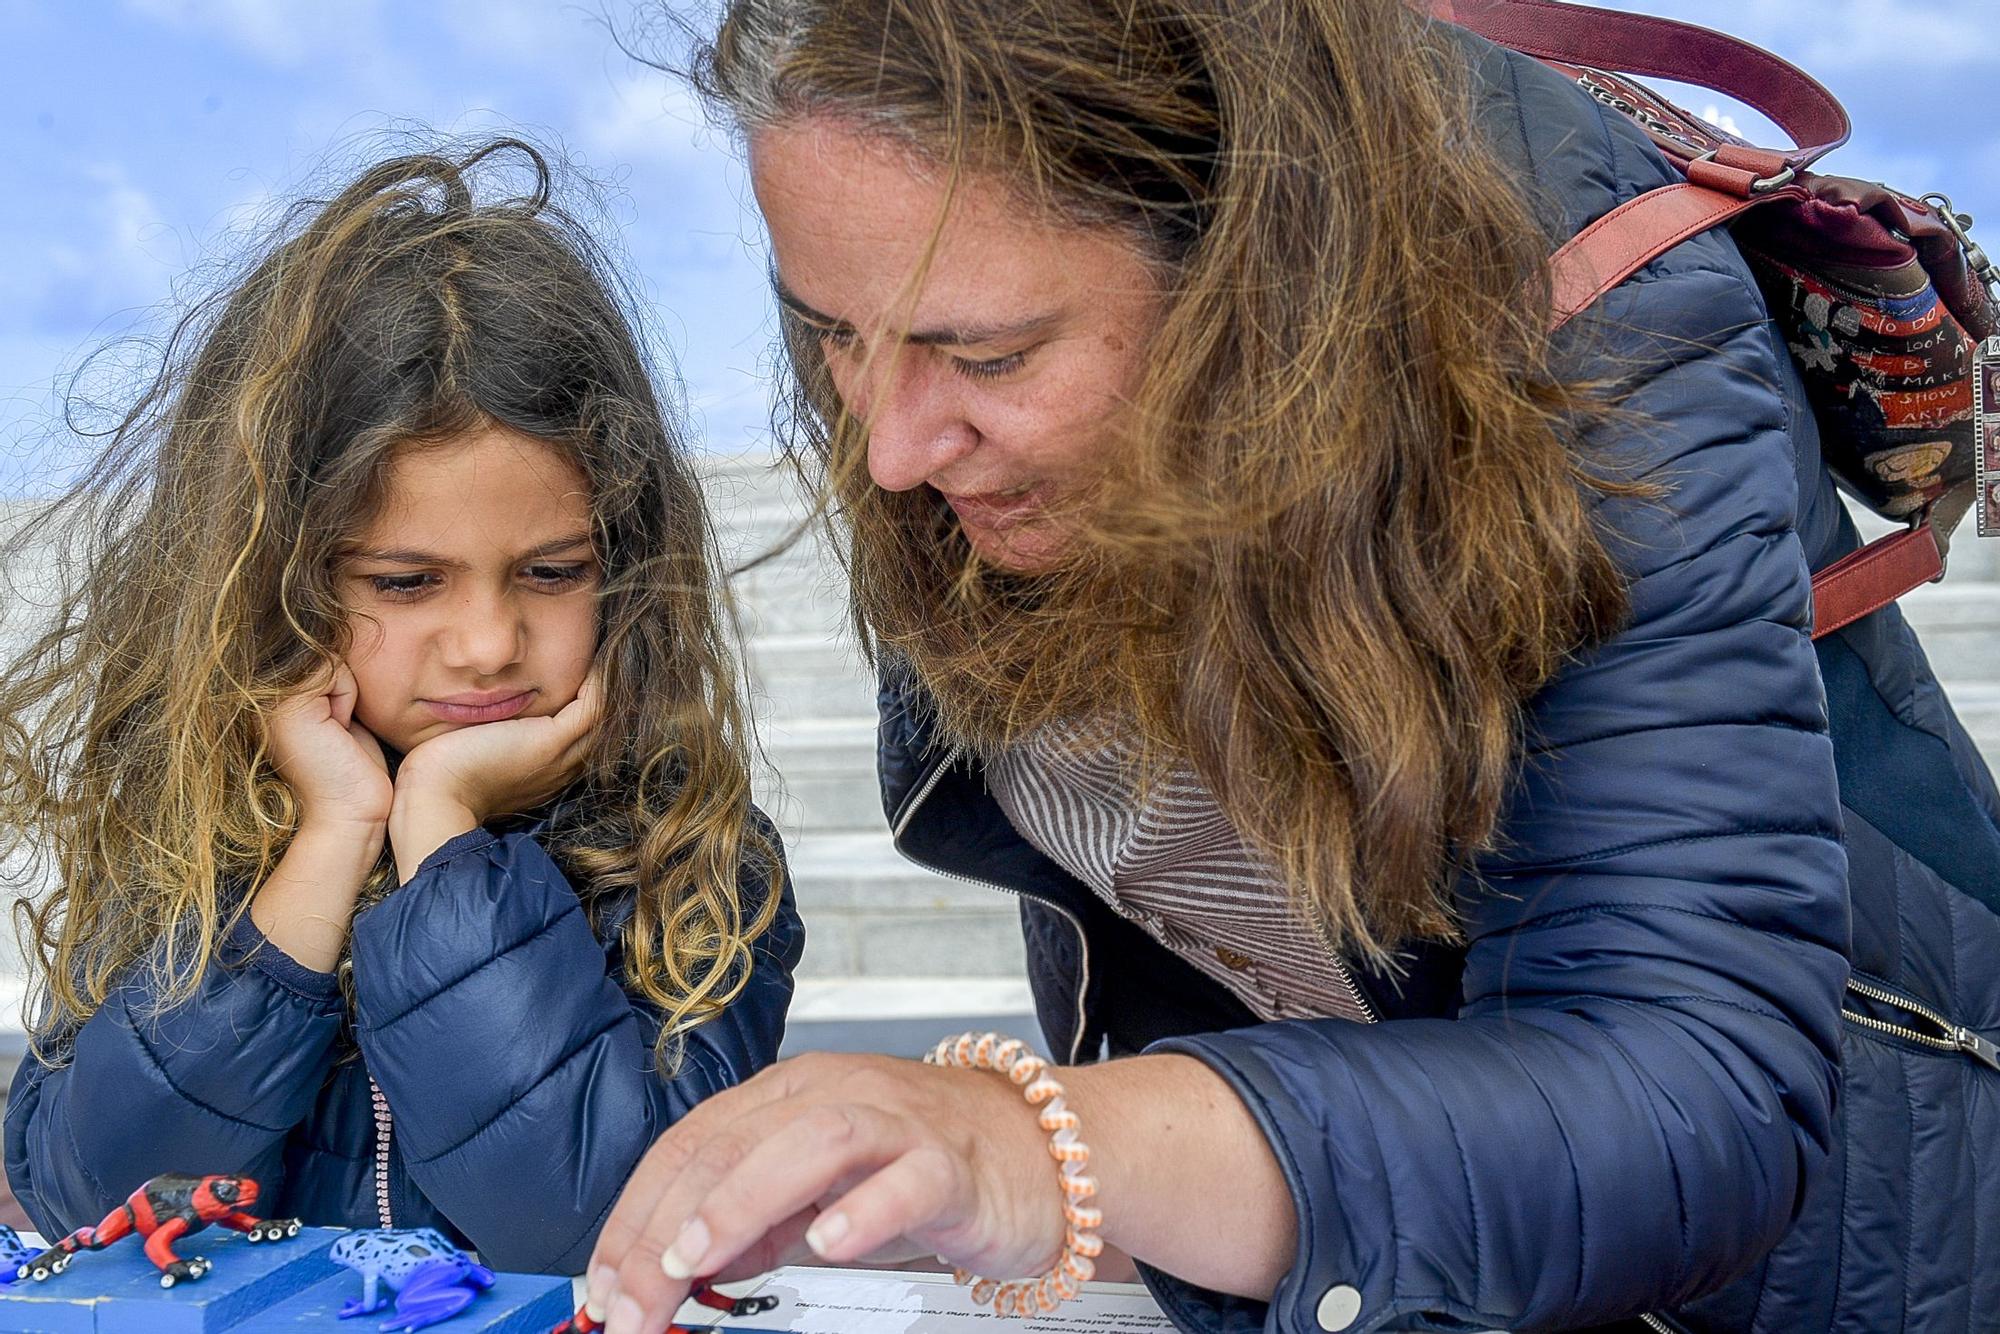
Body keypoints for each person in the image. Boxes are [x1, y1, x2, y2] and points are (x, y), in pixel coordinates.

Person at [579, 2, 2000, 1332]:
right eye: (830, 331)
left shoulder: (1600, 319)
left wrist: (1038, 1141)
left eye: (993, 355)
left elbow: (1693, 1090)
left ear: (1250, 258)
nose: (888, 452)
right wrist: (1004, 1176)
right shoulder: (922, 301)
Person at [0, 139, 803, 1275]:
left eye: (552, 569)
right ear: (276, 578)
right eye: (406, 582)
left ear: (623, 566)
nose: (486, 643)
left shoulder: (692, 862)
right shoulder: (192, 840)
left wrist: (443, 835)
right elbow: (99, 1200)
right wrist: (331, 839)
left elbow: (602, 1223)